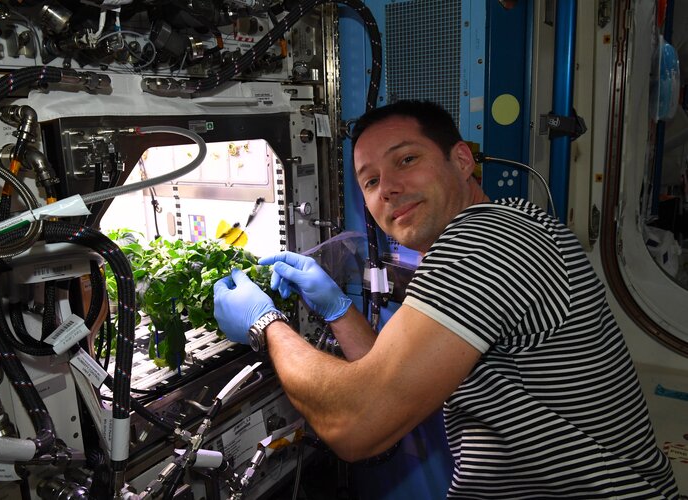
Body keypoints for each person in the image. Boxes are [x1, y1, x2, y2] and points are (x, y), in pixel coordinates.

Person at [213, 100, 679, 498]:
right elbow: (398, 377)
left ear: (461, 160)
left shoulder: (484, 242)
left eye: (406, 160)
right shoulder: (512, 221)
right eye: (370, 182)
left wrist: (265, 324)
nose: (388, 188)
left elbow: (356, 424)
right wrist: (338, 309)